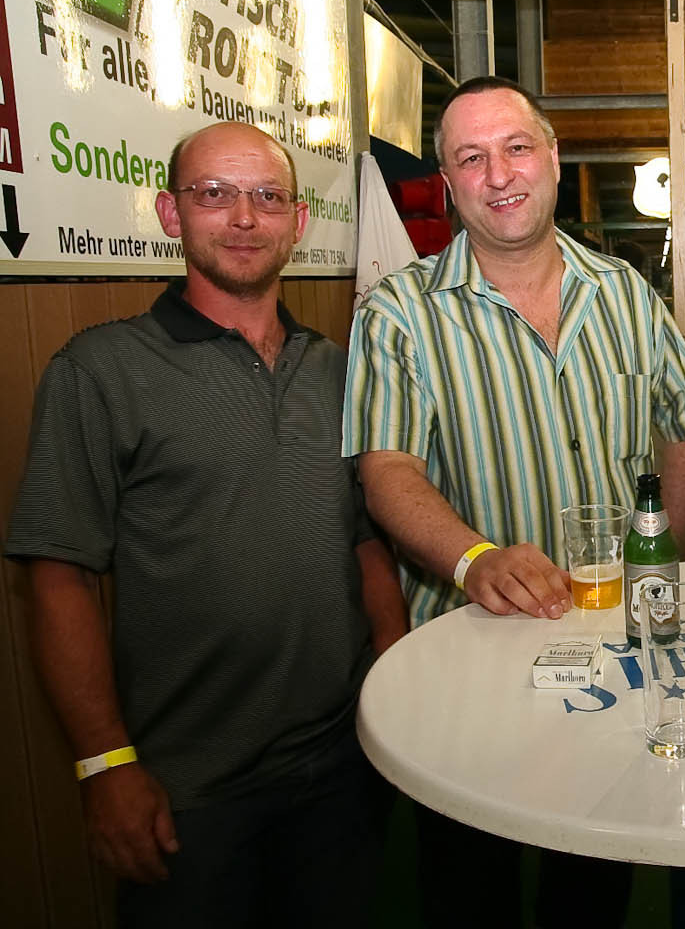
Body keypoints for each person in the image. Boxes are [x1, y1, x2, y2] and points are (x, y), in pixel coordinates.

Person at [5, 121, 407, 927]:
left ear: (299, 221)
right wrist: (104, 765)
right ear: (170, 213)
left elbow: (365, 544)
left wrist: (396, 695)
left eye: (268, 197)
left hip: (341, 769)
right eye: (214, 194)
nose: (244, 218)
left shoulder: (337, 369)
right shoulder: (100, 371)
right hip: (188, 789)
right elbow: (58, 578)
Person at [343, 76, 685, 926]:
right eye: (471, 158)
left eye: (516, 148)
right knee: (470, 892)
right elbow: (386, 471)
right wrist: (475, 559)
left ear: (552, 156)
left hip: (616, 662)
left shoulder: (624, 292)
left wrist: (660, 550)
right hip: (471, 672)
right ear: (447, 182)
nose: (499, 174)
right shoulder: (400, 313)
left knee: (591, 892)